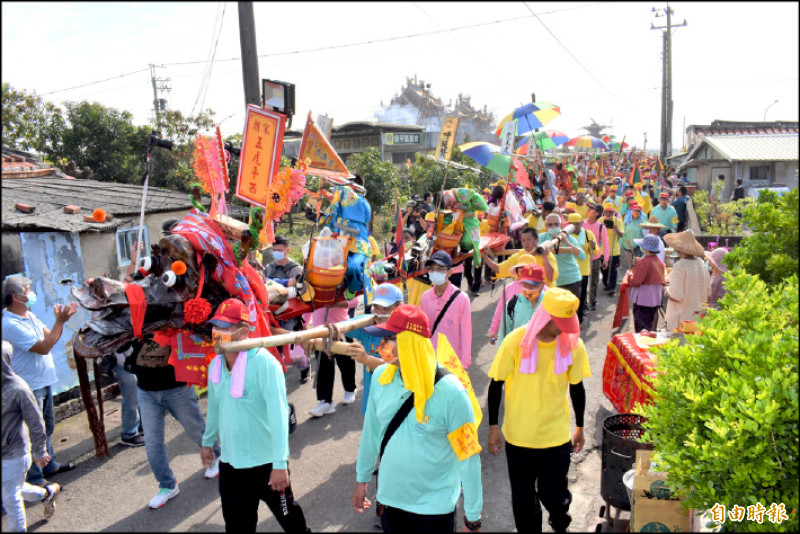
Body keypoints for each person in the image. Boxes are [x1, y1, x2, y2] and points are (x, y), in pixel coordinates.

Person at [352, 305, 483, 533]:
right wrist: (362, 479)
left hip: (434, 510)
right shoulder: (382, 377)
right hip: (390, 501)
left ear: (410, 343)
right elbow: (371, 433)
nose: (380, 346)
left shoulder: (453, 394)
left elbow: (469, 458)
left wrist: (473, 520)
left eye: (388, 339)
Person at [487, 287, 590, 533]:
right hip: (519, 438)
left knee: (555, 496)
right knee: (523, 502)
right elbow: (495, 385)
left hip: (555, 438)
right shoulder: (514, 342)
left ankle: (559, 526)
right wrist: (493, 428)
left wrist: (580, 427)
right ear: (546, 317)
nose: (567, 329)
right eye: (561, 323)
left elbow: (577, 388)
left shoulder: (573, 345)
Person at [201, 299, 309, 534]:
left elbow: (279, 415)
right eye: (215, 325)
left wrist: (280, 464)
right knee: (238, 527)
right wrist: (208, 442)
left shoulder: (264, 363)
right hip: (231, 464)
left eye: (225, 326)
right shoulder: (216, 364)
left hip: (267, 464)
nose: (217, 332)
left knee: (292, 523)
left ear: (243, 331)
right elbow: (216, 406)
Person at [2, 275, 78, 487]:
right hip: (29, 386)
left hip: (44, 381)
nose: (31, 293)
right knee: (35, 430)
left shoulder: (29, 316)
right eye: (27, 289)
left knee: (47, 428)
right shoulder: (9, 324)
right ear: (16, 296)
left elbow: (49, 337)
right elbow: (44, 346)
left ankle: (49, 464)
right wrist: (60, 322)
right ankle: (35, 477)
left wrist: (60, 322)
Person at [2, 341, 62, 531]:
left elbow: (36, 422)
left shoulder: (18, 388)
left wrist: (39, 450)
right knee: (13, 488)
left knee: (10, 497)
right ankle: (46, 494)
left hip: (14, 452)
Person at [344, 283, 405, 415]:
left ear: (398, 308)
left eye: (386, 308)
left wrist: (366, 359)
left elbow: (395, 369)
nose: (380, 312)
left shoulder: (406, 334)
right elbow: (342, 327)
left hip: (396, 404)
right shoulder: (367, 325)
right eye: (376, 307)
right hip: (371, 401)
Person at [265, 235, 309, 384]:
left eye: (280, 250)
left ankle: (304, 369)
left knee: (292, 344)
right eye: (274, 250)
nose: (277, 253)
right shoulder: (269, 268)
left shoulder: (296, 269)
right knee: (274, 346)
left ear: (287, 250)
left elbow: (301, 292)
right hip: (272, 313)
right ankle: (276, 377)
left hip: (291, 314)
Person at [419, 251, 473, 370]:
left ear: (450, 272)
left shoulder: (461, 299)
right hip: (431, 359)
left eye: (440, 269)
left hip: (453, 361)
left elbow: (466, 334)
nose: (435, 272)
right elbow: (424, 331)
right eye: (431, 269)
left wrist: (464, 364)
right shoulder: (425, 297)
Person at [307, 299, 358, 417]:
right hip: (320, 333)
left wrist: (334, 303)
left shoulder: (342, 282)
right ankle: (325, 402)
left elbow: (354, 302)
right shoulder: (312, 284)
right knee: (323, 369)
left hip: (341, 329)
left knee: (346, 363)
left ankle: (350, 390)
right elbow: (307, 305)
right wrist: (304, 325)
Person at [663, 231, 711, 333]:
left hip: (681, 320)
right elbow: (708, 292)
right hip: (698, 317)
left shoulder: (680, 265)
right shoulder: (701, 263)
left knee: (680, 346)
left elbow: (676, 296)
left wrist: (666, 291)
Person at [481, 226, 558, 287]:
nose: (526, 243)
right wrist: (485, 256)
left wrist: (545, 257)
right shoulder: (518, 256)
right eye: (523, 240)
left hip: (545, 296)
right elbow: (499, 269)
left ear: (536, 240)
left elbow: (551, 277)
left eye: (529, 240)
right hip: (525, 295)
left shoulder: (546, 254)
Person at [495, 264, 546, 344]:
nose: (528, 288)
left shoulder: (550, 303)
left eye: (532, 285)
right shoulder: (512, 304)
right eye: (525, 284)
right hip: (518, 353)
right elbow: (504, 335)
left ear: (542, 285)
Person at [628, 235, 666, 333]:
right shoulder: (659, 262)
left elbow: (635, 281)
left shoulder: (644, 262)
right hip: (654, 300)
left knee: (641, 330)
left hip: (642, 300)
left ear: (645, 249)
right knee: (648, 326)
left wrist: (629, 276)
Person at [544, 213, 585, 299]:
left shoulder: (568, 237)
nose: (553, 226)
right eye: (550, 224)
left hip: (571, 280)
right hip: (552, 283)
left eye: (556, 224)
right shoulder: (542, 237)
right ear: (546, 226)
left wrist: (567, 242)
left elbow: (582, 256)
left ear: (560, 225)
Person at [568, 213, 597, 324]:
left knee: (581, 296)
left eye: (578, 224)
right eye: (574, 224)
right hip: (569, 271)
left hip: (583, 271)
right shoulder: (565, 236)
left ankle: (579, 320)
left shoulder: (588, 234)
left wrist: (593, 246)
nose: (576, 226)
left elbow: (595, 252)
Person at [583, 204, 609, 311]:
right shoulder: (581, 224)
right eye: (588, 209)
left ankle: (592, 301)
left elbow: (606, 244)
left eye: (591, 209)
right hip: (582, 258)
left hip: (595, 257)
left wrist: (606, 259)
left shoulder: (601, 227)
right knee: (583, 281)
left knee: (593, 281)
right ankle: (583, 303)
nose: (588, 210)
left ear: (596, 213)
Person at [601, 202, 625, 295]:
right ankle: (606, 284)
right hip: (602, 250)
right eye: (607, 212)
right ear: (604, 212)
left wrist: (616, 229)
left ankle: (612, 287)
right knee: (604, 269)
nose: (608, 214)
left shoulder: (617, 221)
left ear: (614, 212)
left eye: (610, 212)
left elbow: (622, 234)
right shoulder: (600, 221)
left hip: (614, 250)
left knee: (613, 270)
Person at [621, 204, 646, 272]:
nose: (637, 212)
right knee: (629, 266)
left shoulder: (642, 222)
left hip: (638, 246)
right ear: (631, 211)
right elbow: (622, 233)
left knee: (636, 263)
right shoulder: (626, 222)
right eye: (635, 211)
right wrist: (620, 245)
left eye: (638, 211)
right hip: (627, 245)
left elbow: (645, 234)